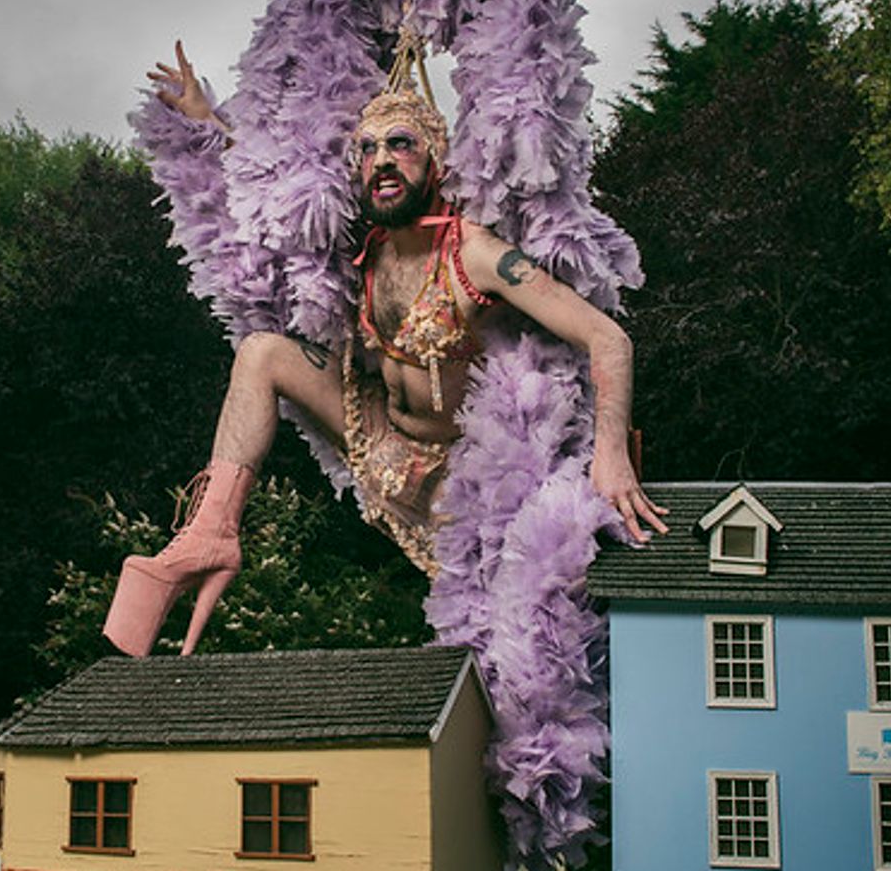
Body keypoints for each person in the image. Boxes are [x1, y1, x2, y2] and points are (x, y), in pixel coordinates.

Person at [103, 40, 666, 657]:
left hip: (465, 487)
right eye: (367, 149)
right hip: (380, 442)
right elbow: (267, 197)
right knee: (261, 352)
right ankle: (211, 532)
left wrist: (610, 455)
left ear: (438, 160)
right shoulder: (361, 244)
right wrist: (205, 120)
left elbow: (606, 337)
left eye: (400, 144)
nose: (381, 161)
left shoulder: (474, 253)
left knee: (512, 643)